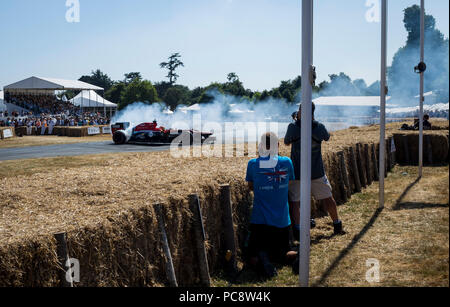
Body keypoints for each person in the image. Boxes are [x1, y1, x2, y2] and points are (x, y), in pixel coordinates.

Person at [284, 103, 344, 239]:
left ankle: (298, 231)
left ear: (300, 111)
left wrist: (296, 122)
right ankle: (337, 224)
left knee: (295, 202)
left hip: (297, 172)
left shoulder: (293, 127)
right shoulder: (320, 126)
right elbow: (327, 137)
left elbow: (287, 142)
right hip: (316, 171)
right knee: (328, 198)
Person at [245, 132, 298, 278]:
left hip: (260, 221)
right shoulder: (287, 162)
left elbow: (250, 186)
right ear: (278, 145)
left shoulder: (253, 164)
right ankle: (297, 257)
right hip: (282, 221)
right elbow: (289, 182)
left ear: (261, 146)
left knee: (251, 255)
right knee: (284, 252)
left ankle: (262, 260)